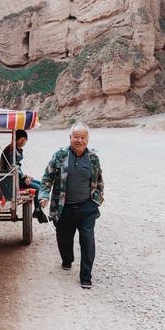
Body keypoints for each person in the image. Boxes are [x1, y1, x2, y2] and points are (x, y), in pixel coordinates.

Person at [38, 122, 104, 289]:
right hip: (63, 208)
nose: (79, 140)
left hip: (86, 208)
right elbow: (47, 178)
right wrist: (44, 196)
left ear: (87, 139)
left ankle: (85, 277)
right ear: (70, 138)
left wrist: (96, 201)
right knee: (63, 240)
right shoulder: (60, 156)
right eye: (76, 137)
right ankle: (67, 259)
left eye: (83, 137)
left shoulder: (93, 158)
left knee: (88, 241)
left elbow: (99, 181)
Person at [0, 129, 46, 223]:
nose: (23, 142)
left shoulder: (14, 148)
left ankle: (38, 211)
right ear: (16, 139)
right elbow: (12, 168)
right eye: (21, 139)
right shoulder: (11, 150)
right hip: (11, 181)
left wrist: (25, 176)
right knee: (37, 188)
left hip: (15, 177)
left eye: (24, 140)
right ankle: (38, 211)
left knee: (41, 184)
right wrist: (24, 178)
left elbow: (17, 168)